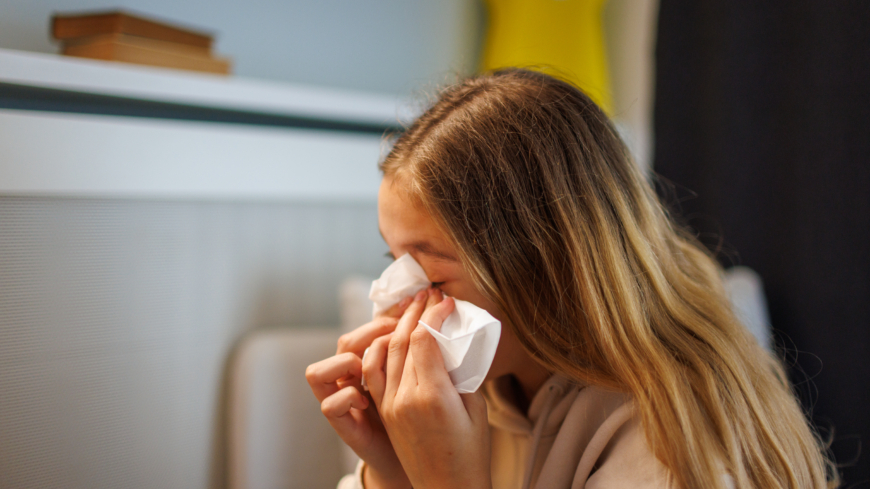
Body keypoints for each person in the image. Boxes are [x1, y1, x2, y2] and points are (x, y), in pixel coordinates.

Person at [305, 69, 836, 489]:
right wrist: (394, 472)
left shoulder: (671, 440)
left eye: (434, 277)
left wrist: (448, 482)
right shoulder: (492, 391)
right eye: (393, 258)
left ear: (549, 271)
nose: (395, 300)